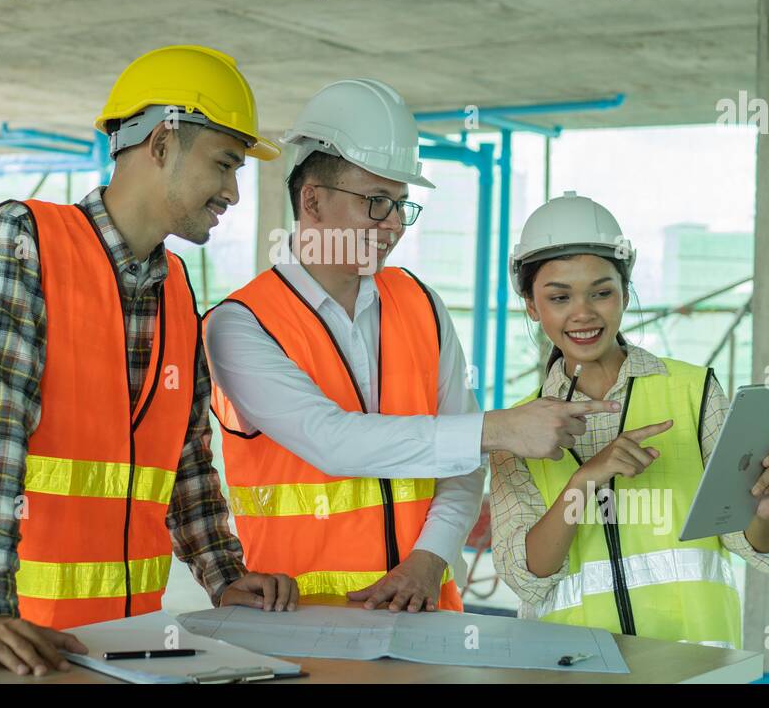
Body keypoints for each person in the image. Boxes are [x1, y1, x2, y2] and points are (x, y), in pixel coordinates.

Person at [0, 45, 299, 675]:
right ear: (161, 144)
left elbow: (186, 459)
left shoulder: (178, 288)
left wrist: (225, 576)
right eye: (224, 164)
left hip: (125, 645)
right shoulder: (23, 241)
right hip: (6, 646)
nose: (233, 191)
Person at [203, 80, 619, 613]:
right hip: (299, 621)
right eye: (377, 203)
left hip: (425, 613)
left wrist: (429, 559)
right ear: (312, 200)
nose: (394, 225)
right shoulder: (241, 324)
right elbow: (333, 443)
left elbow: (462, 463)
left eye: (402, 206)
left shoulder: (420, 303)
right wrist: (500, 429)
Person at [490, 191, 769, 648]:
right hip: (576, 667)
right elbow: (528, 574)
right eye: (559, 297)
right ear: (532, 306)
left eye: (602, 292)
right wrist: (584, 482)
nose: (583, 313)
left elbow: (754, 544)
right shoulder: (515, 429)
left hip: (696, 663)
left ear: (624, 292)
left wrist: (764, 513)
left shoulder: (694, 392)